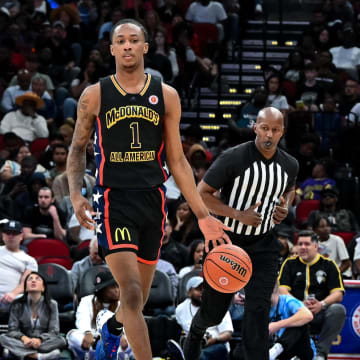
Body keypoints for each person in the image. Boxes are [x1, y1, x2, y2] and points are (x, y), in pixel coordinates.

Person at [66, 18, 230, 360]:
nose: (127, 45)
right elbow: (77, 147)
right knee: (131, 289)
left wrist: (202, 215)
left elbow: (179, 161)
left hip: (153, 201)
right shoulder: (94, 95)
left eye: (133, 40)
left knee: (135, 301)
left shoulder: (165, 94)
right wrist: (76, 194)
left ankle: (110, 331)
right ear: (112, 49)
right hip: (113, 200)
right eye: (120, 40)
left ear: (145, 47)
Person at [184, 107, 299, 360]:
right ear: (255, 127)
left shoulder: (290, 164)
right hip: (227, 242)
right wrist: (238, 214)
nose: (269, 134)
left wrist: (284, 205)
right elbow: (201, 193)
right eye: (265, 128)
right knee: (214, 312)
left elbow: (290, 189)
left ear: (282, 132)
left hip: (264, 243)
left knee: (258, 309)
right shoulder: (233, 157)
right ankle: (195, 333)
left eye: (275, 129)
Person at [278, 230, 346, 360]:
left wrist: (321, 304)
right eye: (300, 244)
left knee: (338, 310)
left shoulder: (329, 265)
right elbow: (282, 291)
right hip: (296, 312)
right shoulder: (289, 264)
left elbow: (338, 293)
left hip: (319, 312)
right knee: (282, 306)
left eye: (307, 244)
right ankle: (291, 352)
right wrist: (298, 305)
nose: (302, 247)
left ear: (316, 246)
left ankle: (320, 353)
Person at [67, 270, 133, 360]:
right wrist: (88, 332)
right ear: (102, 289)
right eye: (112, 287)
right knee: (72, 335)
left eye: (118, 286)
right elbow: (82, 318)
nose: (117, 290)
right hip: (93, 338)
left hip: (113, 339)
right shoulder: (87, 300)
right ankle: (92, 354)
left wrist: (121, 335)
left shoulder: (121, 304)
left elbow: (126, 324)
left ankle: (117, 355)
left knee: (132, 338)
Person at [0, 271, 66, 359]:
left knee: (61, 340)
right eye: (30, 279)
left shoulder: (52, 304)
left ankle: (19, 352)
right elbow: (12, 330)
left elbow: (54, 330)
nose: (33, 281)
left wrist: (39, 339)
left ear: (43, 288)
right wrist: (24, 338)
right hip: (24, 341)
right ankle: (37, 356)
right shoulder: (17, 304)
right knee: (2, 337)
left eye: (37, 279)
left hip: (42, 342)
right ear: (26, 288)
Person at [176, 276, 233, 360]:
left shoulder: (218, 307)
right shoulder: (180, 309)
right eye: (198, 289)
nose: (202, 292)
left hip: (217, 345)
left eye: (204, 289)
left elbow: (228, 334)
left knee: (199, 357)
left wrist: (214, 339)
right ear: (189, 292)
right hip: (194, 344)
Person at [0, 220, 38, 323]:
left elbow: (26, 283)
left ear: (21, 236)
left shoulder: (30, 260)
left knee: (23, 300)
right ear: (3, 235)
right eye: (8, 233)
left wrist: (13, 294)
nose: (11, 236)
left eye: (14, 233)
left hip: (14, 298)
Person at [268, 281, 314, 360]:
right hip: (270, 346)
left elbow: (308, 315)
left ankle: (277, 349)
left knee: (300, 323)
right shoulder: (258, 304)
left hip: (296, 347)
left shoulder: (288, 300)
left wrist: (277, 325)